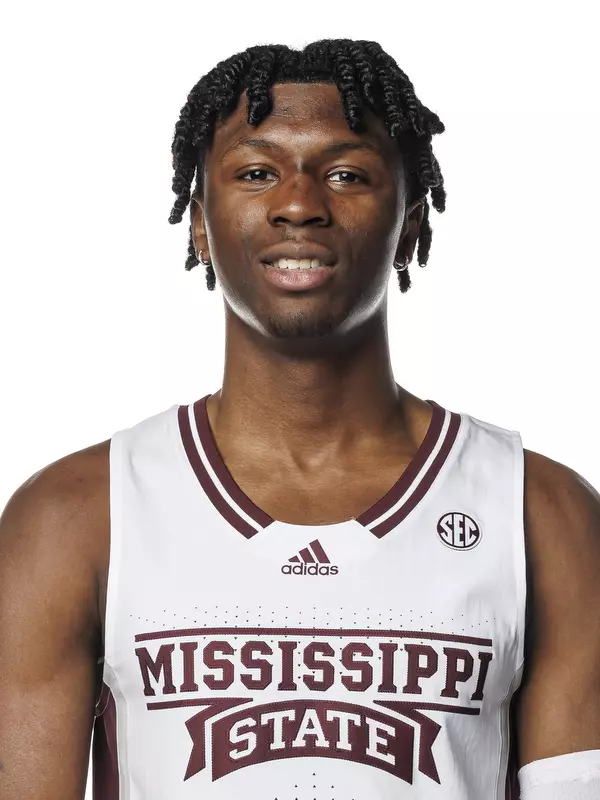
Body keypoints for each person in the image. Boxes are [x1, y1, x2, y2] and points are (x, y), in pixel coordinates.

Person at [0, 38, 599, 800]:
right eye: (255, 172)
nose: (299, 204)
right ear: (198, 223)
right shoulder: (76, 515)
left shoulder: (539, 513)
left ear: (413, 221)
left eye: (347, 174)